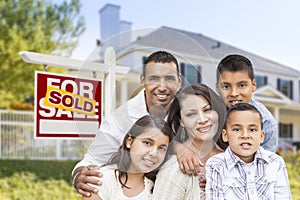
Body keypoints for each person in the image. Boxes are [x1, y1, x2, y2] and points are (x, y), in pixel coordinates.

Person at [72, 50, 188, 197]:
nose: (162, 87)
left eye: (169, 79)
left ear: (179, 80)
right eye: (154, 79)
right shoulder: (120, 119)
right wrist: (79, 176)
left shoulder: (188, 109)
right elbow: (92, 160)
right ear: (142, 80)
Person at [152, 83, 227, 199]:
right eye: (191, 114)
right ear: (181, 121)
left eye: (207, 110)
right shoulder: (176, 168)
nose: (202, 120)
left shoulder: (234, 159)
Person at [205, 103, 291, 199]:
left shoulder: (275, 163)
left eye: (252, 130)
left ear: (262, 136)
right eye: (237, 129)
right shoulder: (216, 165)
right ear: (225, 135)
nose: (245, 135)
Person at [82, 115, 174, 200]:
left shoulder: (157, 187)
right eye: (147, 143)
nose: (154, 153)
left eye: (161, 148)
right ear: (129, 142)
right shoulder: (102, 179)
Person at [216, 54, 278, 152]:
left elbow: (264, 165)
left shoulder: (267, 124)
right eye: (226, 86)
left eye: (241, 85)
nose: (234, 93)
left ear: (253, 85)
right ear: (217, 88)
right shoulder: (208, 110)